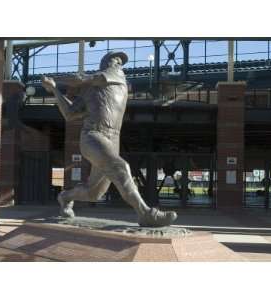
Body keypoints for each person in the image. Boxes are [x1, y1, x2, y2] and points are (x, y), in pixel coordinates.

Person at [42, 51, 177, 227]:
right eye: (116, 60)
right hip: (93, 136)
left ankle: (65, 197)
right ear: (105, 63)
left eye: (121, 62)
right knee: (121, 167)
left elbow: (82, 78)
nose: (119, 64)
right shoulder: (91, 88)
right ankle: (145, 213)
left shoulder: (116, 78)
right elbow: (69, 113)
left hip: (112, 140)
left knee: (93, 193)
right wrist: (54, 89)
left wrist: (56, 79)